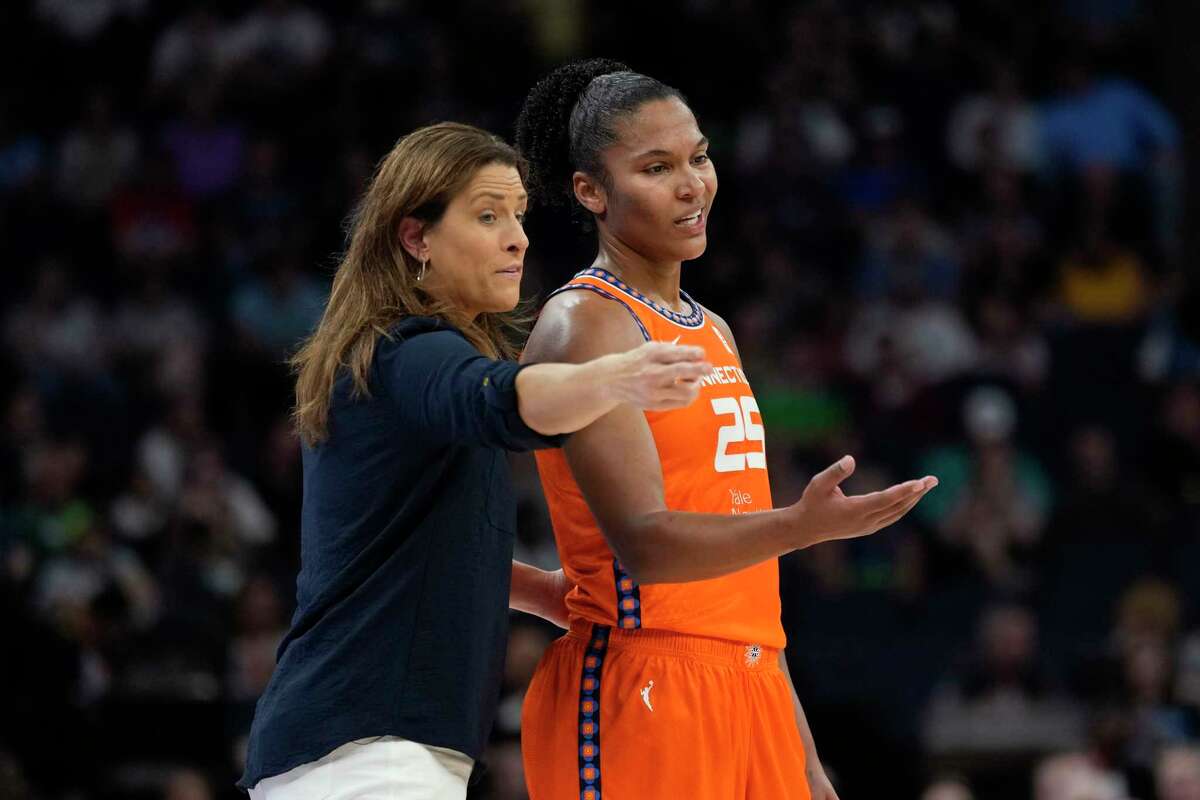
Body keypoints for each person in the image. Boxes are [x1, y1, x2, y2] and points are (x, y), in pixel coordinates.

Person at [237, 122, 712, 799]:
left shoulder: (385, 362)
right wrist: (618, 377)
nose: (517, 236)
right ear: (416, 237)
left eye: (517, 214)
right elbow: (499, 399)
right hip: (369, 757)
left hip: (354, 752)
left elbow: (397, 545)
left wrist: (529, 589)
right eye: (488, 215)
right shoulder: (408, 353)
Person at [515, 60, 938, 800]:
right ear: (590, 191)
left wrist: (804, 764)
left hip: (751, 682)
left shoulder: (714, 330)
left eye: (699, 157)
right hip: (642, 686)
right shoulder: (584, 325)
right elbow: (647, 544)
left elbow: (744, 588)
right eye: (656, 167)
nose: (691, 185)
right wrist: (801, 527)